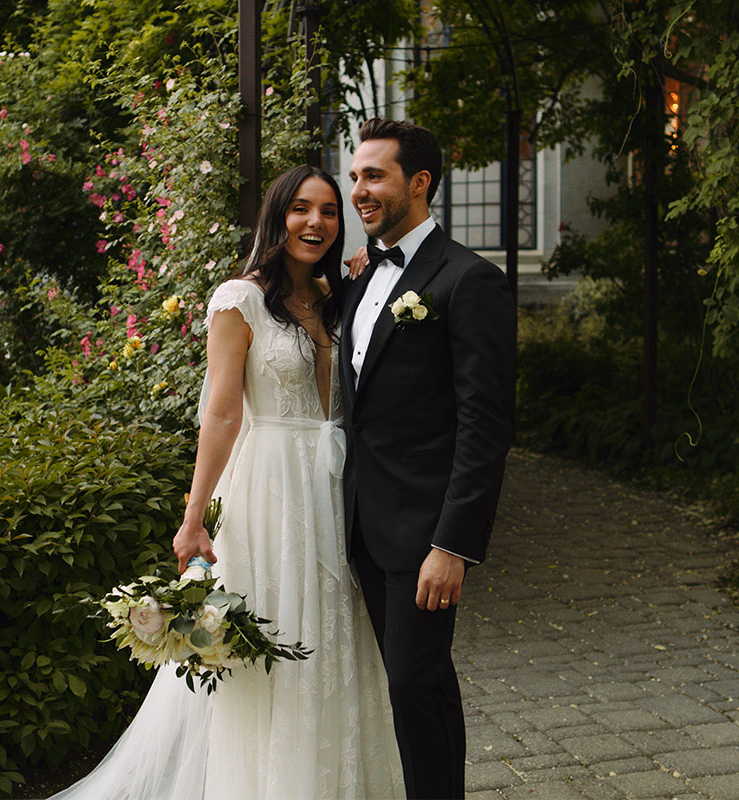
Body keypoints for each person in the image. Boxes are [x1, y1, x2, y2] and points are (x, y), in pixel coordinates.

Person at [50, 165, 404, 800]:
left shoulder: (338, 298)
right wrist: (194, 518)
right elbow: (220, 413)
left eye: (329, 211)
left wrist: (363, 272)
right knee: (273, 631)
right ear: (277, 216)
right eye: (301, 209)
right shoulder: (239, 300)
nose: (316, 222)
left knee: (335, 632)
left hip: (337, 487)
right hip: (268, 488)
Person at [340, 118, 516, 800]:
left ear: (419, 182)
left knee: (415, 681)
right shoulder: (360, 279)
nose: (359, 190)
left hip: (425, 532)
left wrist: (453, 544)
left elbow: (485, 425)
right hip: (362, 522)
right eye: (354, 177)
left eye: (373, 176)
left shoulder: (469, 281)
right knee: (420, 682)